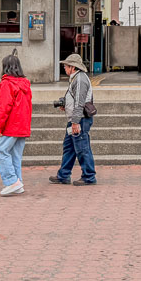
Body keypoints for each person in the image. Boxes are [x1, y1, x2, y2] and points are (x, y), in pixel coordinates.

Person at [0, 53, 32, 196]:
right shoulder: (25, 83)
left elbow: (3, 107)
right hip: (22, 125)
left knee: (1, 151)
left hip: (12, 125)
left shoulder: (7, 83)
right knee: (15, 155)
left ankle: (12, 182)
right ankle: (17, 182)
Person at [49, 53, 96, 186]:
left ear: (73, 67)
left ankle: (89, 176)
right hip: (76, 119)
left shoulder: (80, 79)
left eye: (66, 65)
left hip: (79, 120)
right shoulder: (76, 78)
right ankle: (63, 175)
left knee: (82, 148)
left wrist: (75, 121)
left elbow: (80, 103)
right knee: (69, 147)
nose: (64, 67)